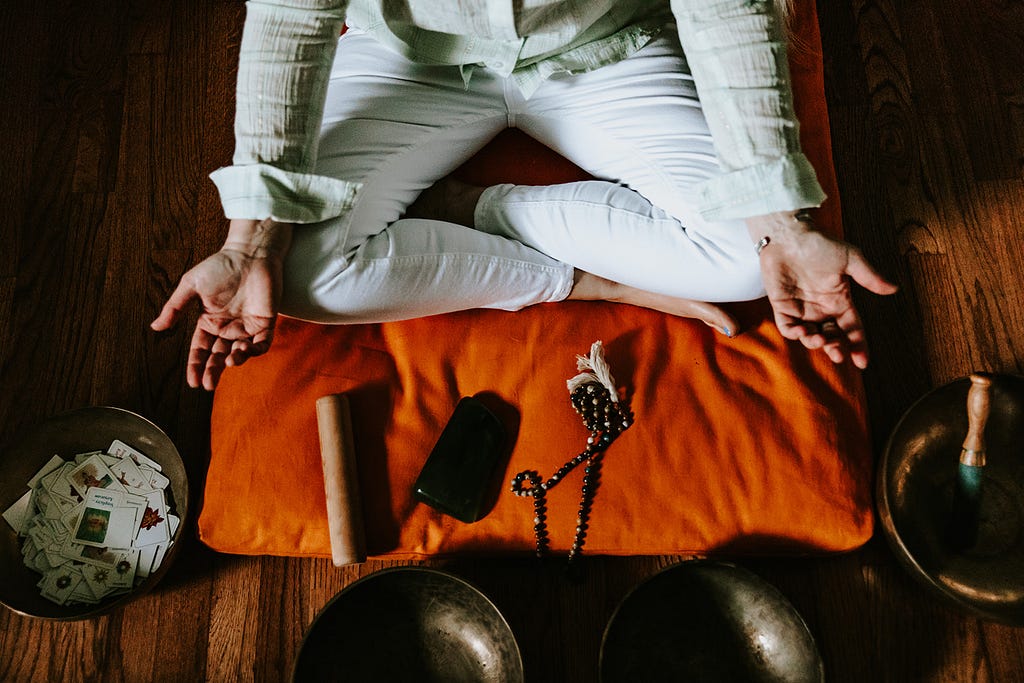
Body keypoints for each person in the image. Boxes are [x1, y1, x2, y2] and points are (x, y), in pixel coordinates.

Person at [151, 0, 897, 391]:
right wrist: (249, 241)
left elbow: (726, 6)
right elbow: (290, 17)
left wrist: (780, 223)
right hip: (410, 55)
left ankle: (472, 210)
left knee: (747, 260)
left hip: (604, 47)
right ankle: (576, 277)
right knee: (293, 271)